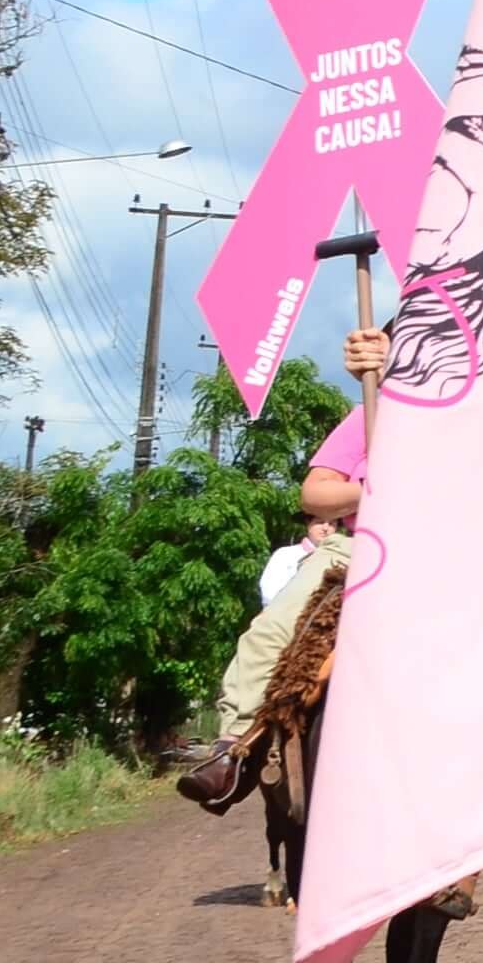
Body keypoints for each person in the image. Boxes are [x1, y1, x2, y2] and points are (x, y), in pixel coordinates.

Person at [179, 329, 390, 812]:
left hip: (456, 544)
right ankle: (235, 747)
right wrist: (377, 484)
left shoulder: (474, 410)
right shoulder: (368, 417)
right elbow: (315, 494)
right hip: (361, 546)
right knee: (272, 631)